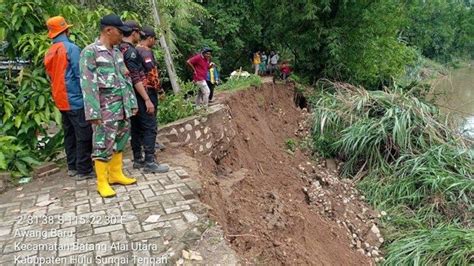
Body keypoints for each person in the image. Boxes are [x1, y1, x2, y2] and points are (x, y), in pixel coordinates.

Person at [79, 14, 138, 198]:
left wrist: (132, 103)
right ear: (108, 30)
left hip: (122, 107)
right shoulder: (90, 52)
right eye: (120, 32)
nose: (122, 36)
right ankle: (102, 182)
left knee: (120, 140)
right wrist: (93, 112)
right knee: (102, 144)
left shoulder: (117, 52)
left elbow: (125, 80)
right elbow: (88, 85)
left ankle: (115, 174)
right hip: (104, 110)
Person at [44, 16, 93, 180]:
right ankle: (84, 169)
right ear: (66, 30)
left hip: (60, 99)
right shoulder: (71, 48)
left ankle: (72, 165)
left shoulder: (50, 51)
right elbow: (81, 75)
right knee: (83, 133)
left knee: (69, 134)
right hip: (75, 99)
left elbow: (50, 76)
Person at [131, 25, 169, 173]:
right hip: (148, 91)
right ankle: (150, 161)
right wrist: (159, 90)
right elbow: (152, 74)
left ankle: (137, 159)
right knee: (150, 126)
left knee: (136, 127)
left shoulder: (134, 50)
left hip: (135, 93)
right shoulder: (145, 52)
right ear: (151, 38)